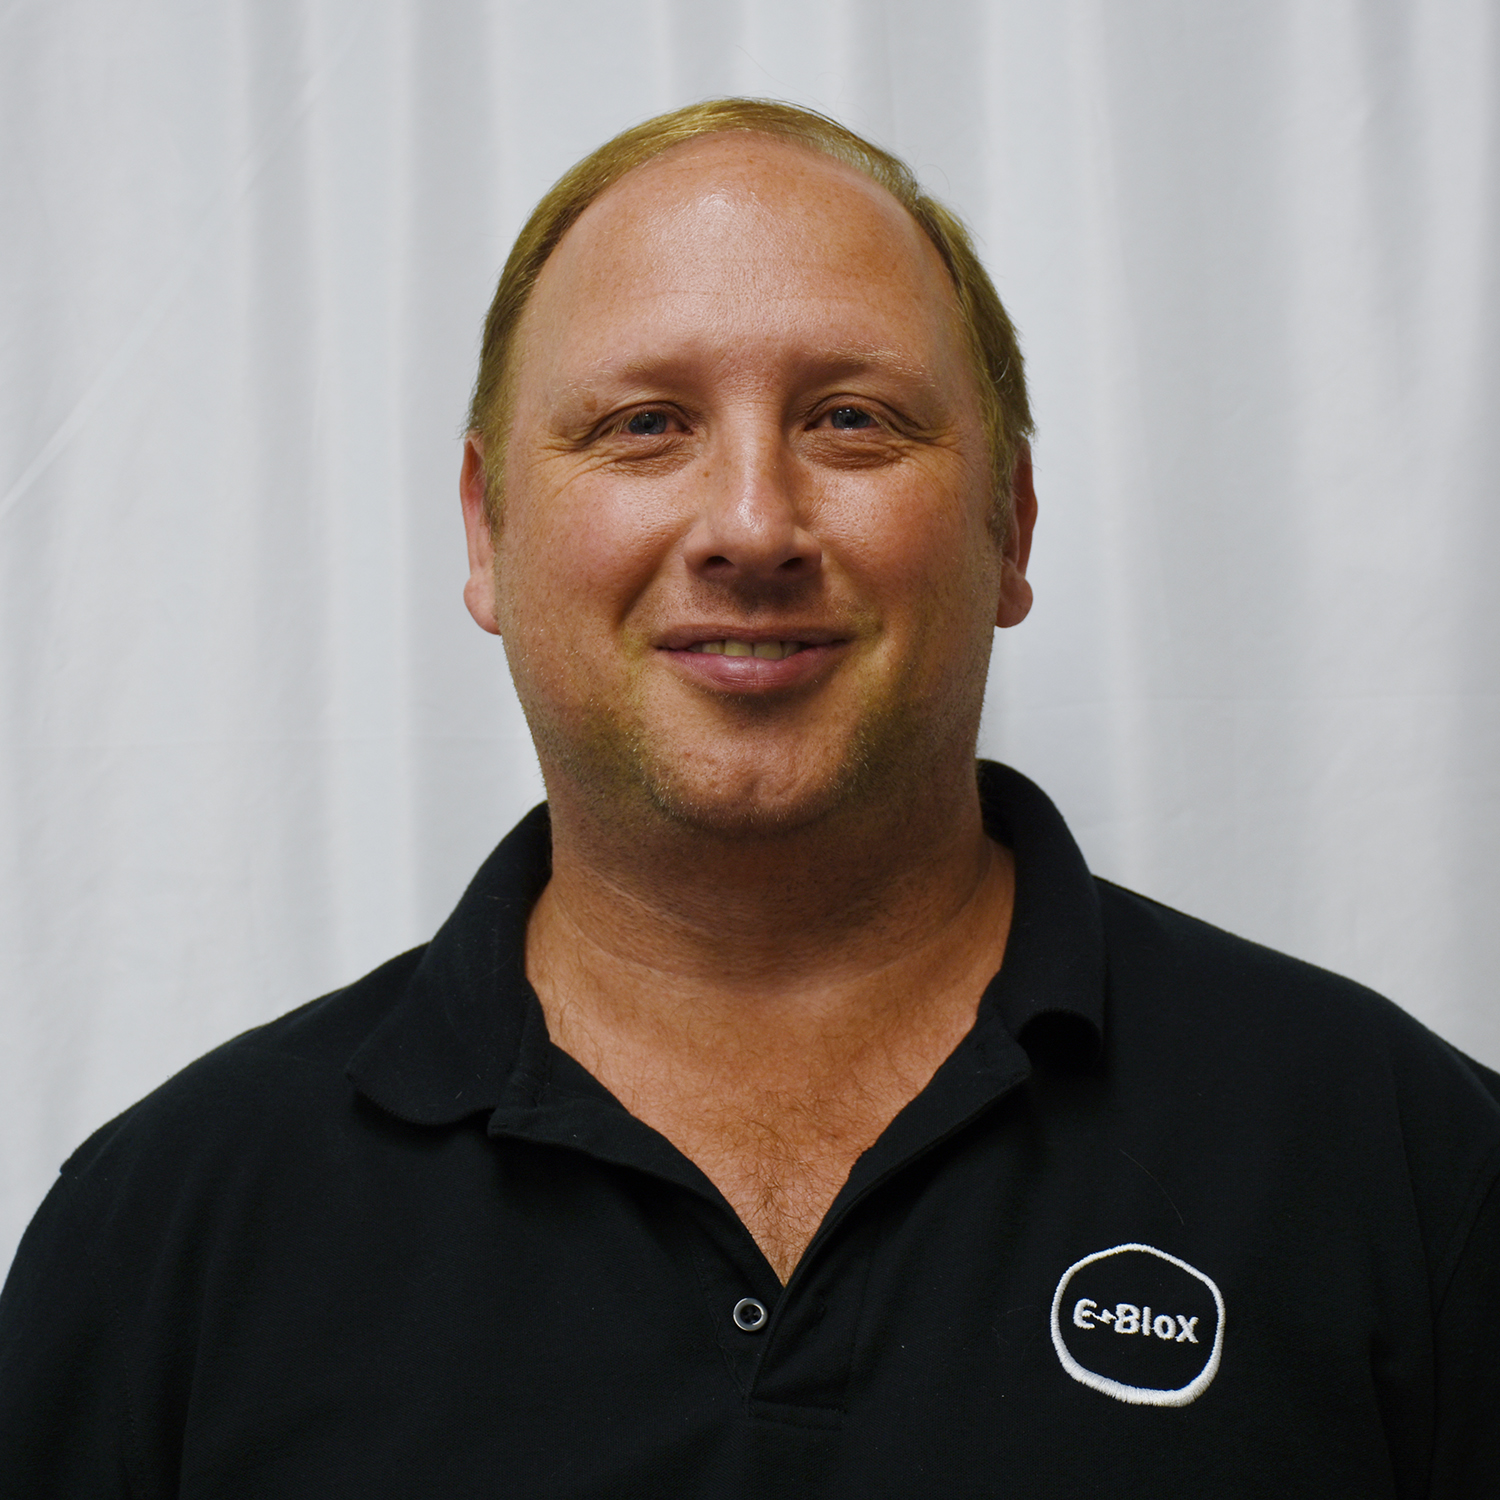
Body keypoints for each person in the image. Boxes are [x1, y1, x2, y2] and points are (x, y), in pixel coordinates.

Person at [1, 98, 1496, 1498]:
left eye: (851, 420)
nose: (751, 525)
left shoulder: (1406, 1167)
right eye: (645, 424)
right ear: (488, 531)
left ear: (1012, 526)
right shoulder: (165, 1236)